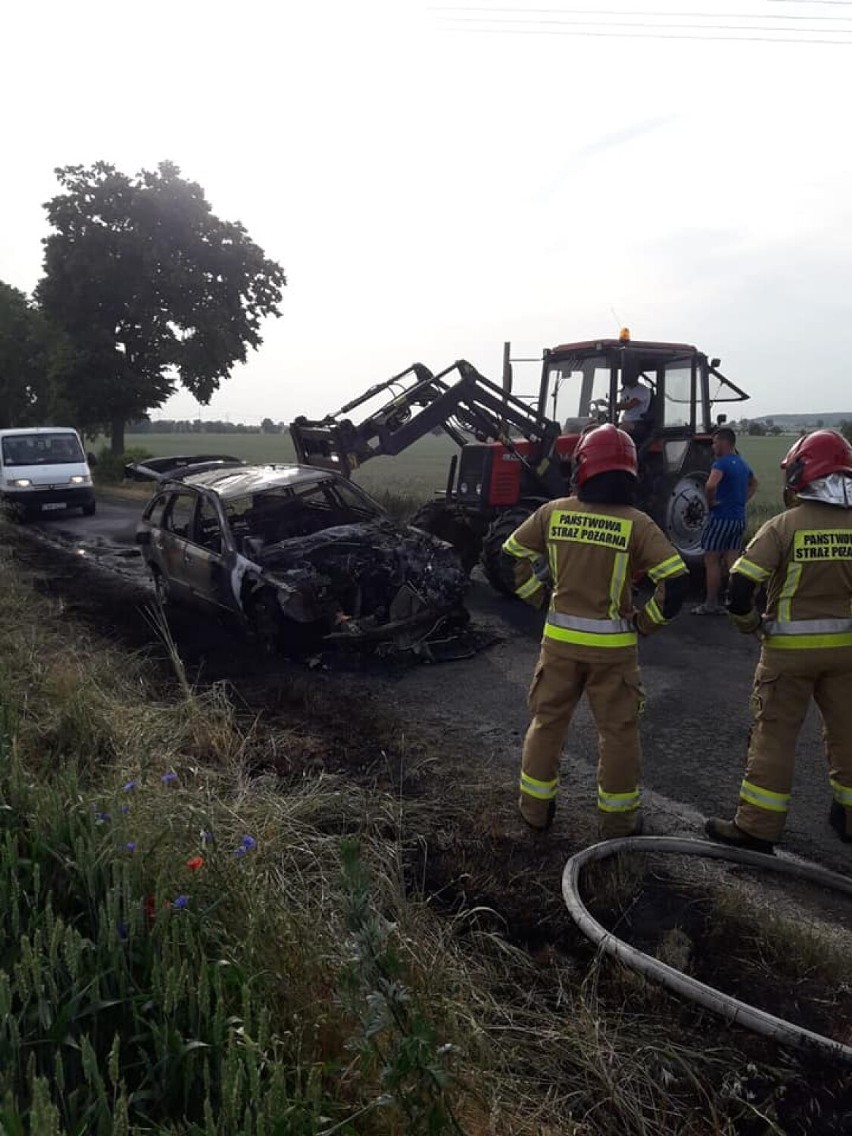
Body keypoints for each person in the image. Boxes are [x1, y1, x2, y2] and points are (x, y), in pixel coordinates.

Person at [502, 424, 690, 837]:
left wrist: (537, 596)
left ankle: (535, 811)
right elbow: (675, 581)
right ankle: (618, 822)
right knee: (618, 734)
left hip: (559, 647)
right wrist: (646, 622)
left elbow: (510, 554)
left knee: (547, 724)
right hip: (614, 652)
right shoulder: (637, 523)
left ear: (583, 467)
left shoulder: (553, 512)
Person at [706, 429, 852, 853]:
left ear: (803, 474)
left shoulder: (784, 527)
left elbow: (740, 585)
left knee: (775, 736)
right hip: (845, 655)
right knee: (847, 733)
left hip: (787, 656)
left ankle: (757, 827)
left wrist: (750, 625)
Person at [692, 426, 758, 615]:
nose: (713, 446)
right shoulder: (742, 463)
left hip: (721, 518)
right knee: (732, 561)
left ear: (723, 442)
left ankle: (711, 604)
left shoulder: (721, 464)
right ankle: (737, 602)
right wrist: (742, 500)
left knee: (711, 560)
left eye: (714, 443)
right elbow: (755, 483)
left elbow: (711, 485)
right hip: (738, 519)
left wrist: (711, 502)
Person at [615, 369, 652, 438]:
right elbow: (621, 404)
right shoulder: (625, 389)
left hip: (638, 422)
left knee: (622, 429)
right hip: (625, 420)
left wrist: (610, 406)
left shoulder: (642, 390)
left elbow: (630, 405)